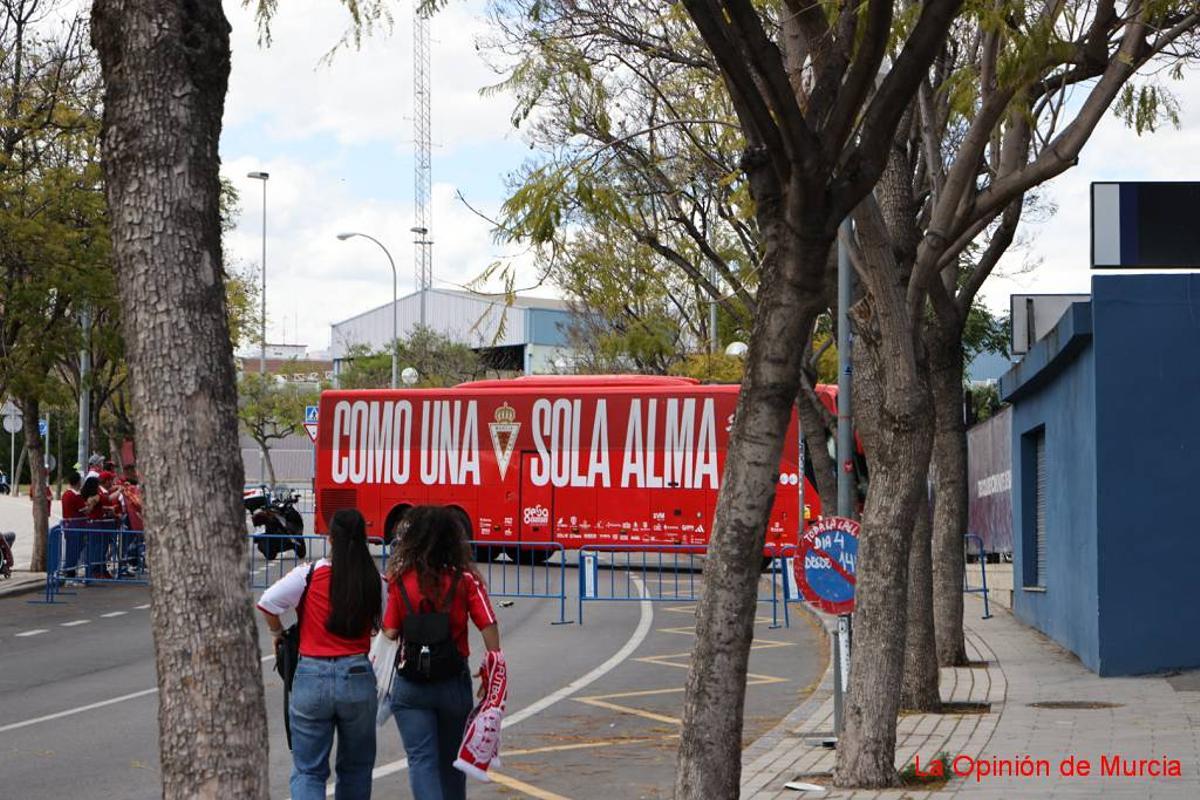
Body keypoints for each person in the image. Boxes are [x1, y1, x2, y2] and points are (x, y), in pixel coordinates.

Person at [257, 509, 385, 800]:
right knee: (356, 768)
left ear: (330, 539)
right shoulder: (374, 580)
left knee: (308, 771)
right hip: (357, 674)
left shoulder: (309, 574)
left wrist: (277, 633)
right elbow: (386, 625)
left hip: (312, 675)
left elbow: (267, 602)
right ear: (363, 538)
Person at [384, 506, 501, 800]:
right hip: (452, 681)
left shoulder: (400, 579)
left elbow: (390, 631)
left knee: (421, 760)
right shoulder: (465, 579)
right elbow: (488, 623)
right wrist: (493, 666)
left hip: (411, 682)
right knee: (452, 761)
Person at [60, 472, 88, 579]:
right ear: (78, 482)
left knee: (71, 550)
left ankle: (69, 570)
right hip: (77, 526)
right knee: (74, 550)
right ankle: (70, 572)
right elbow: (85, 510)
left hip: (69, 526)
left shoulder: (66, 494)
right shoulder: (75, 496)